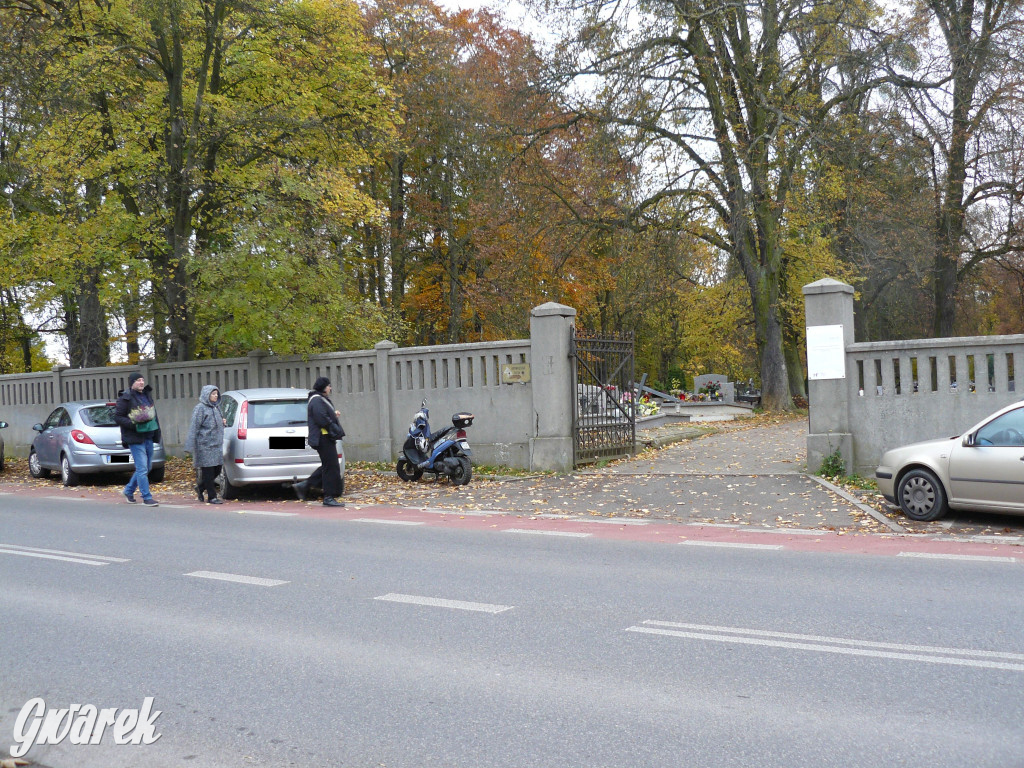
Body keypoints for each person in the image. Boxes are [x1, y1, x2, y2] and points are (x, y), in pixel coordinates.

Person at [293, 376, 344, 507]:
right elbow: (321, 418)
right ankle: (328, 497)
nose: (330, 388)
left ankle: (305, 485)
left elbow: (323, 415)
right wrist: (333, 426)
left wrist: (333, 415)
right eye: (329, 386)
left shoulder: (319, 399)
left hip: (325, 437)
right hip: (323, 438)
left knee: (330, 465)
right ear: (324, 387)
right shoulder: (316, 400)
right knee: (330, 467)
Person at [114, 372, 161, 506]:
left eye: (142, 380)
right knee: (142, 469)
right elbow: (118, 417)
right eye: (138, 380)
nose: (141, 382)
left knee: (147, 467)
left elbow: (153, 415)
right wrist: (134, 424)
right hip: (135, 437)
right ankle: (146, 497)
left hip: (148, 435)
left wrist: (156, 431)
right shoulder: (125, 398)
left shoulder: (146, 395)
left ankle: (129, 491)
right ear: (132, 383)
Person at [185, 384, 226, 504]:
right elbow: (194, 427)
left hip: (217, 445)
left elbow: (217, 423)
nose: (215, 396)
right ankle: (212, 497)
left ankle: (200, 487)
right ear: (206, 395)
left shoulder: (216, 407)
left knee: (217, 469)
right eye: (213, 394)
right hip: (205, 445)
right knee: (208, 472)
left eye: (216, 393)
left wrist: (223, 422)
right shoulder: (200, 408)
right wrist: (189, 446)